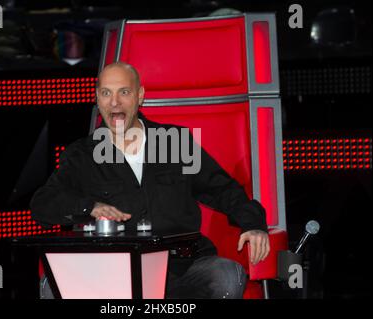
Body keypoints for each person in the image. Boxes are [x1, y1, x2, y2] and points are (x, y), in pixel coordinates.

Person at [30, 62, 270, 299]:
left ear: (140, 95)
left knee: (226, 276)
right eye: (106, 93)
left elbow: (223, 190)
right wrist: (89, 207)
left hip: (179, 268)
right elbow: (43, 204)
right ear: (97, 98)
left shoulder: (175, 143)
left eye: (124, 92)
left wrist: (253, 224)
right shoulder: (80, 155)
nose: (114, 102)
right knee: (53, 286)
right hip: (110, 274)